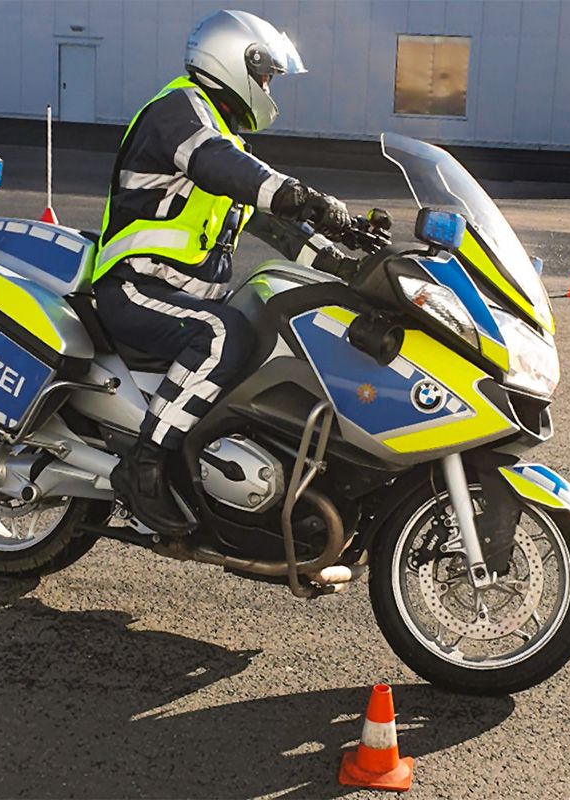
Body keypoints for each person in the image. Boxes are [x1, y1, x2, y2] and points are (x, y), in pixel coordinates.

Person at [93, 9, 359, 534]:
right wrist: (304, 197)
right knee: (225, 333)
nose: (268, 87)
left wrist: (351, 259)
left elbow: (278, 230)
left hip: (180, 296)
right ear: (235, 61)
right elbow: (225, 168)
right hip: (135, 288)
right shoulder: (179, 112)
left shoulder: (224, 137)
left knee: (278, 331)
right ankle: (143, 465)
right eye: (266, 74)